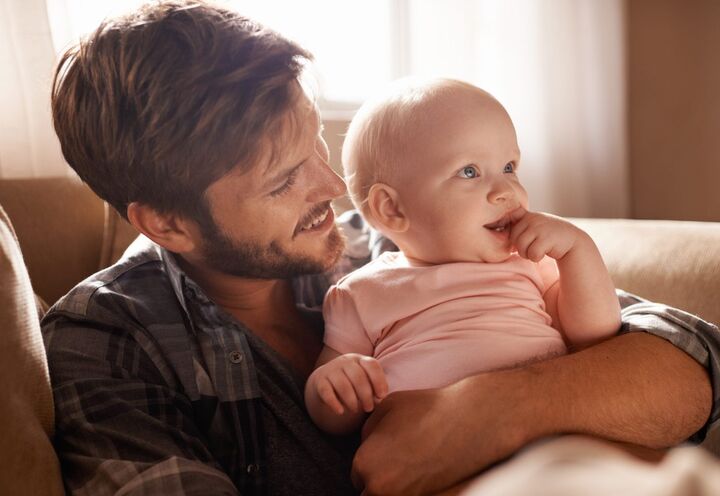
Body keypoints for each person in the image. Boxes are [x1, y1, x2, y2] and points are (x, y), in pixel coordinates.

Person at [42, 1, 719, 495]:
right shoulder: (109, 343)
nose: (335, 187)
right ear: (167, 225)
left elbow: (693, 362)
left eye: (317, 144)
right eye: (284, 180)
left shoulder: (395, 242)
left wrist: (485, 413)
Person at [304, 78, 622, 435]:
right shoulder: (361, 293)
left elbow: (595, 336)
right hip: (426, 457)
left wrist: (580, 251)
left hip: (544, 436)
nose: (507, 190)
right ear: (391, 208)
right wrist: (332, 386)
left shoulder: (529, 261)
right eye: (469, 172)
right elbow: (334, 420)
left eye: (509, 167)